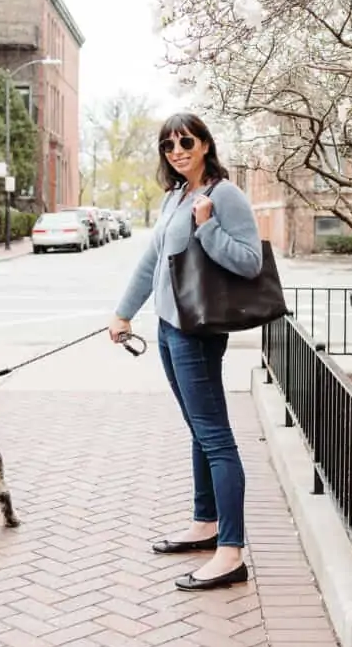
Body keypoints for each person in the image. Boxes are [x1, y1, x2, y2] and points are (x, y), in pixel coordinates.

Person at [108, 113, 263, 591]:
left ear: (205, 144)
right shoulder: (175, 195)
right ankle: (206, 523)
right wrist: (124, 313)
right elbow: (152, 259)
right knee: (200, 430)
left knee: (216, 437)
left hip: (198, 331)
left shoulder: (223, 195)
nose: (177, 150)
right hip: (170, 329)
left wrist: (209, 229)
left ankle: (231, 552)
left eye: (186, 142)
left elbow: (251, 261)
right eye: (168, 144)